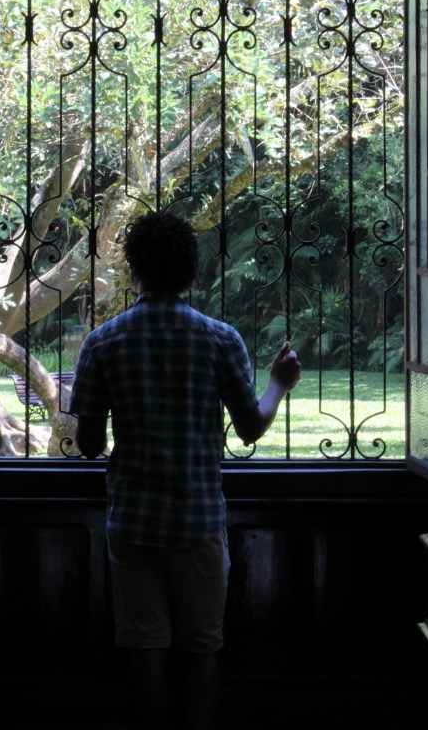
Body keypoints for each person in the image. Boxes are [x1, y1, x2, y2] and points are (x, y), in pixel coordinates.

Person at [70, 210, 301, 730]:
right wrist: (278, 384)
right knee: (202, 649)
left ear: (133, 269)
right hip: (198, 523)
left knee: (144, 650)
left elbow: (89, 444)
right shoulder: (220, 339)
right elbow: (250, 428)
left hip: (133, 522)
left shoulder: (102, 341)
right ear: (191, 272)